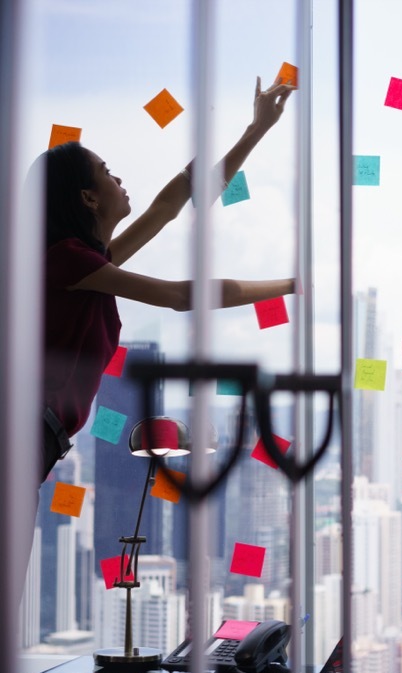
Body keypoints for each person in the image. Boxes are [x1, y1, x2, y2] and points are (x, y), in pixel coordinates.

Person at [40, 77, 295, 486]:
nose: (119, 180)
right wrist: (292, 284)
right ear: (88, 198)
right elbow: (180, 296)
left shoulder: (87, 267)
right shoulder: (69, 262)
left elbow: (168, 206)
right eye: (106, 172)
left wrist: (257, 128)